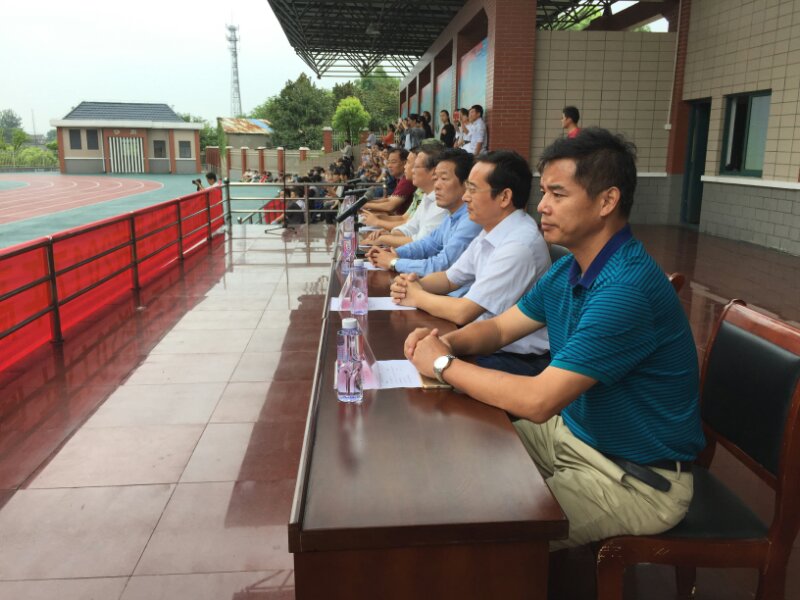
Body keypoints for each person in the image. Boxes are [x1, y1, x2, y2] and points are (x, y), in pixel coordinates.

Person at [404, 128, 704, 550]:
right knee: (453, 443)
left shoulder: (626, 289)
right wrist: (447, 343)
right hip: (572, 436)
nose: (542, 205)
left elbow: (539, 400)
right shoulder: (569, 270)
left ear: (607, 201)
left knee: (482, 536)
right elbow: (500, 328)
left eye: (558, 194)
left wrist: (441, 364)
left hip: (632, 477)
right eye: (543, 192)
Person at [390, 150, 550, 376]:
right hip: (484, 341)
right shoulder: (492, 230)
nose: (465, 197)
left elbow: (464, 312)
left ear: (504, 197)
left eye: (473, 190)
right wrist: (412, 285)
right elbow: (449, 279)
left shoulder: (519, 244)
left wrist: (416, 295)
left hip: (517, 358)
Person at [367, 148, 481, 280]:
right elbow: (427, 244)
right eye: (436, 179)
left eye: (444, 179)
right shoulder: (452, 215)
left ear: (466, 184)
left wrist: (394, 262)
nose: (437, 185)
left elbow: (442, 264)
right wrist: (393, 253)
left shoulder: (471, 219)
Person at [363, 145, 447, 248]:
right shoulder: (427, 197)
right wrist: (390, 234)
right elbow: (410, 227)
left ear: (433, 172)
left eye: (416, 166)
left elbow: (421, 244)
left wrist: (383, 235)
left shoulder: (442, 203)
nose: (411, 170)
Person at [362, 148, 416, 214]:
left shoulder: (407, 180)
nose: (389, 166)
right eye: (388, 162)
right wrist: (363, 203)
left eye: (393, 162)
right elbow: (389, 199)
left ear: (404, 163)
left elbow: (390, 206)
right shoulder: (400, 178)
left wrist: (363, 205)